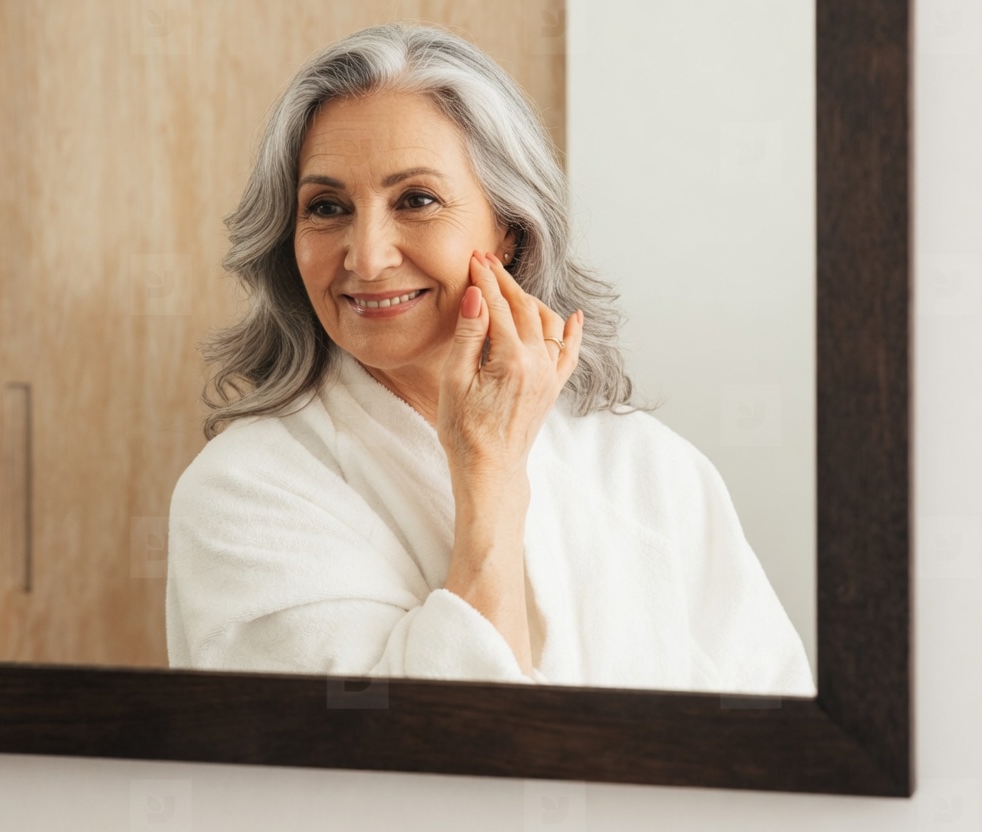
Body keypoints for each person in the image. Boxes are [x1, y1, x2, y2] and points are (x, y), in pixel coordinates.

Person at [165, 22, 815, 695]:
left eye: (416, 200)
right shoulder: (242, 494)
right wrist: (490, 479)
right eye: (326, 207)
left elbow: (779, 739)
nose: (366, 256)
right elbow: (406, 762)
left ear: (509, 229)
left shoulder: (649, 468)